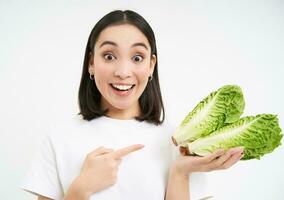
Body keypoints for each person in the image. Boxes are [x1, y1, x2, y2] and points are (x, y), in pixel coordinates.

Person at [20, 10, 244, 200]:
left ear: (151, 66)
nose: (123, 72)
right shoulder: (59, 137)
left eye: (137, 58)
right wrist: (81, 188)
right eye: (109, 56)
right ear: (91, 62)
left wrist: (180, 172)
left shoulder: (179, 142)